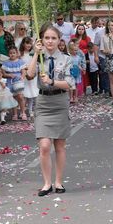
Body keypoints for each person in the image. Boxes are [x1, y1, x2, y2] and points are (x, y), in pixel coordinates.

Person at [26, 24, 74, 197]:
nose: (50, 41)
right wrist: (36, 54)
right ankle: (47, 183)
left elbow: (70, 84)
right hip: (43, 103)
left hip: (60, 102)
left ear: (59, 40)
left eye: (53, 38)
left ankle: (58, 181)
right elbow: (29, 75)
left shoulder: (66, 59)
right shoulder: (38, 57)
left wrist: (52, 81)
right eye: (47, 38)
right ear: (42, 40)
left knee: (59, 145)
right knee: (45, 145)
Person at [1, 46, 27, 121]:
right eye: (10, 53)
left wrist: (22, 77)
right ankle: (15, 114)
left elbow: (24, 71)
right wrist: (9, 75)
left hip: (18, 81)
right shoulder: (6, 63)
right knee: (13, 98)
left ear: (17, 53)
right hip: (10, 82)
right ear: (8, 54)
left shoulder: (20, 62)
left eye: (14, 53)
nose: (12, 54)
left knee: (20, 97)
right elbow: (3, 73)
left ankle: (23, 112)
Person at [20, 37, 38, 119]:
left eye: (30, 43)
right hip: (24, 77)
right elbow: (20, 65)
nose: (28, 45)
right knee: (23, 95)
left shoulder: (33, 53)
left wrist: (33, 74)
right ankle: (22, 111)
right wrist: (25, 74)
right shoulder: (20, 54)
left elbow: (36, 65)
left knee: (32, 94)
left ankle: (31, 110)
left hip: (32, 77)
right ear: (23, 44)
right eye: (27, 43)